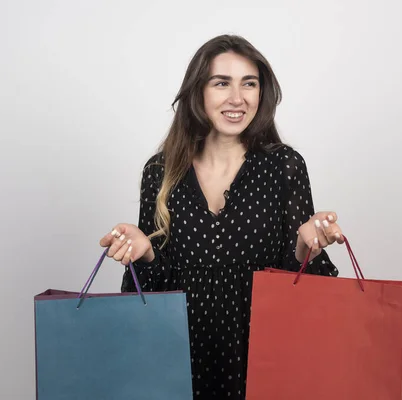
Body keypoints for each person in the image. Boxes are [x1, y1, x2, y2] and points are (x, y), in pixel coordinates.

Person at [99, 34, 343, 399]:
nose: (237, 98)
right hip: (179, 357)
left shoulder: (284, 167)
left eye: (249, 83)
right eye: (221, 83)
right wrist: (145, 253)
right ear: (198, 92)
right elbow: (155, 293)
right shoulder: (160, 171)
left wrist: (307, 245)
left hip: (262, 357)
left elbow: (296, 286)